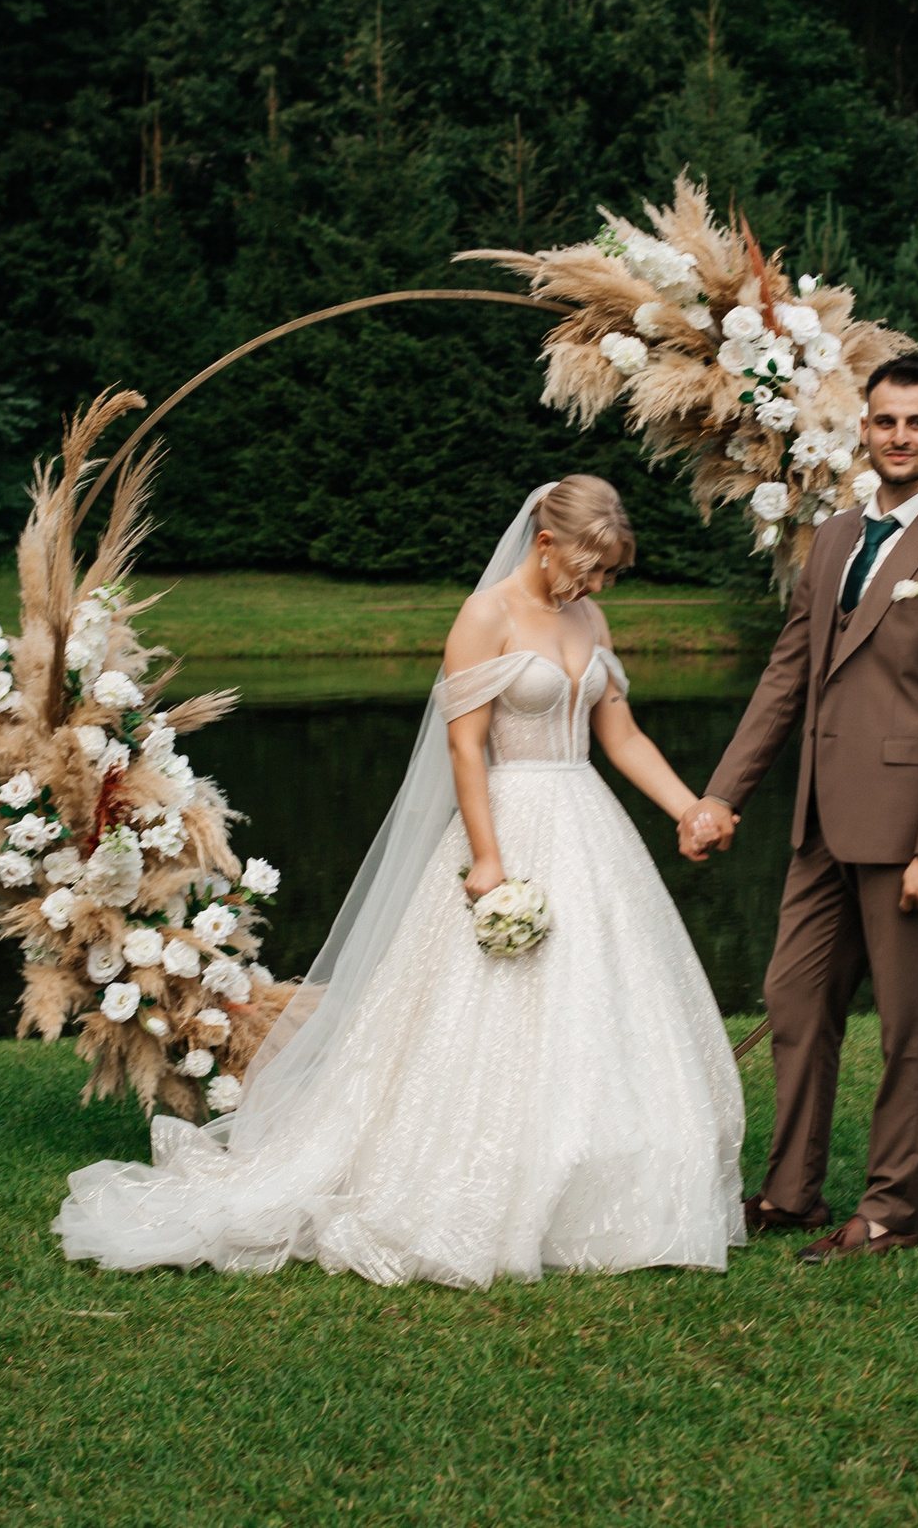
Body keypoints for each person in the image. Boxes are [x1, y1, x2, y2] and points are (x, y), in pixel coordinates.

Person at [52, 476, 745, 1286]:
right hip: (508, 820)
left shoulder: (588, 616)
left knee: (601, 998)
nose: (599, 585)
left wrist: (688, 806)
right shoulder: (485, 615)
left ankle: (601, 1176)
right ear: (546, 542)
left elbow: (620, 734)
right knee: (490, 1007)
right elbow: (465, 745)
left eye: (609, 573)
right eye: (591, 567)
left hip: (588, 821)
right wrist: (487, 858)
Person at [678, 357, 918, 1262]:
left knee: (910, 1028)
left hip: (908, 832)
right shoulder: (831, 541)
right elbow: (787, 675)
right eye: (885, 420)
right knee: (794, 1000)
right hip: (819, 824)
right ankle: (792, 1192)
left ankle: (891, 1212)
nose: (900, 436)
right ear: (863, 429)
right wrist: (723, 792)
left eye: (917, 422)